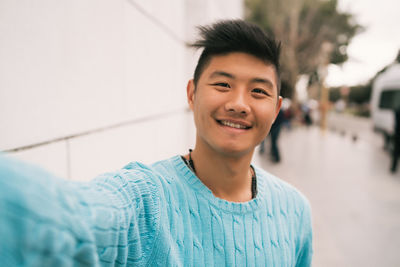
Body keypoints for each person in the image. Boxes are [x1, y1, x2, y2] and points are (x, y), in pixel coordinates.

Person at [0, 20, 313, 266]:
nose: (239, 104)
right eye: (222, 84)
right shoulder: (144, 200)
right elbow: (74, 222)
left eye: (258, 91)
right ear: (192, 94)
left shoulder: (294, 209)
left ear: (275, 110)